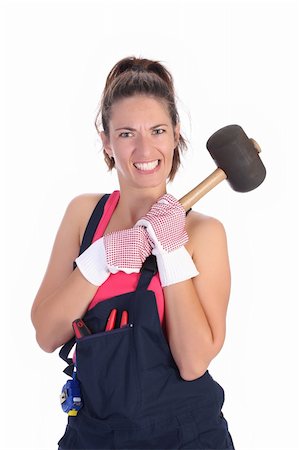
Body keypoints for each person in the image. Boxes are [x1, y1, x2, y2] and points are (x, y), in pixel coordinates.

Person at [31, 56, 235, 450]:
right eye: (126, 134)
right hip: (91, 435)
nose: (145, 148)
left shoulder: (202, 234)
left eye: (158, 130)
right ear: (106, 140)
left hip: (185, 436)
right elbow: (46, 333)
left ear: (176, 134)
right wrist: (100, 259)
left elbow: (193, 363)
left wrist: (172, 252)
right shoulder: (84, 216)